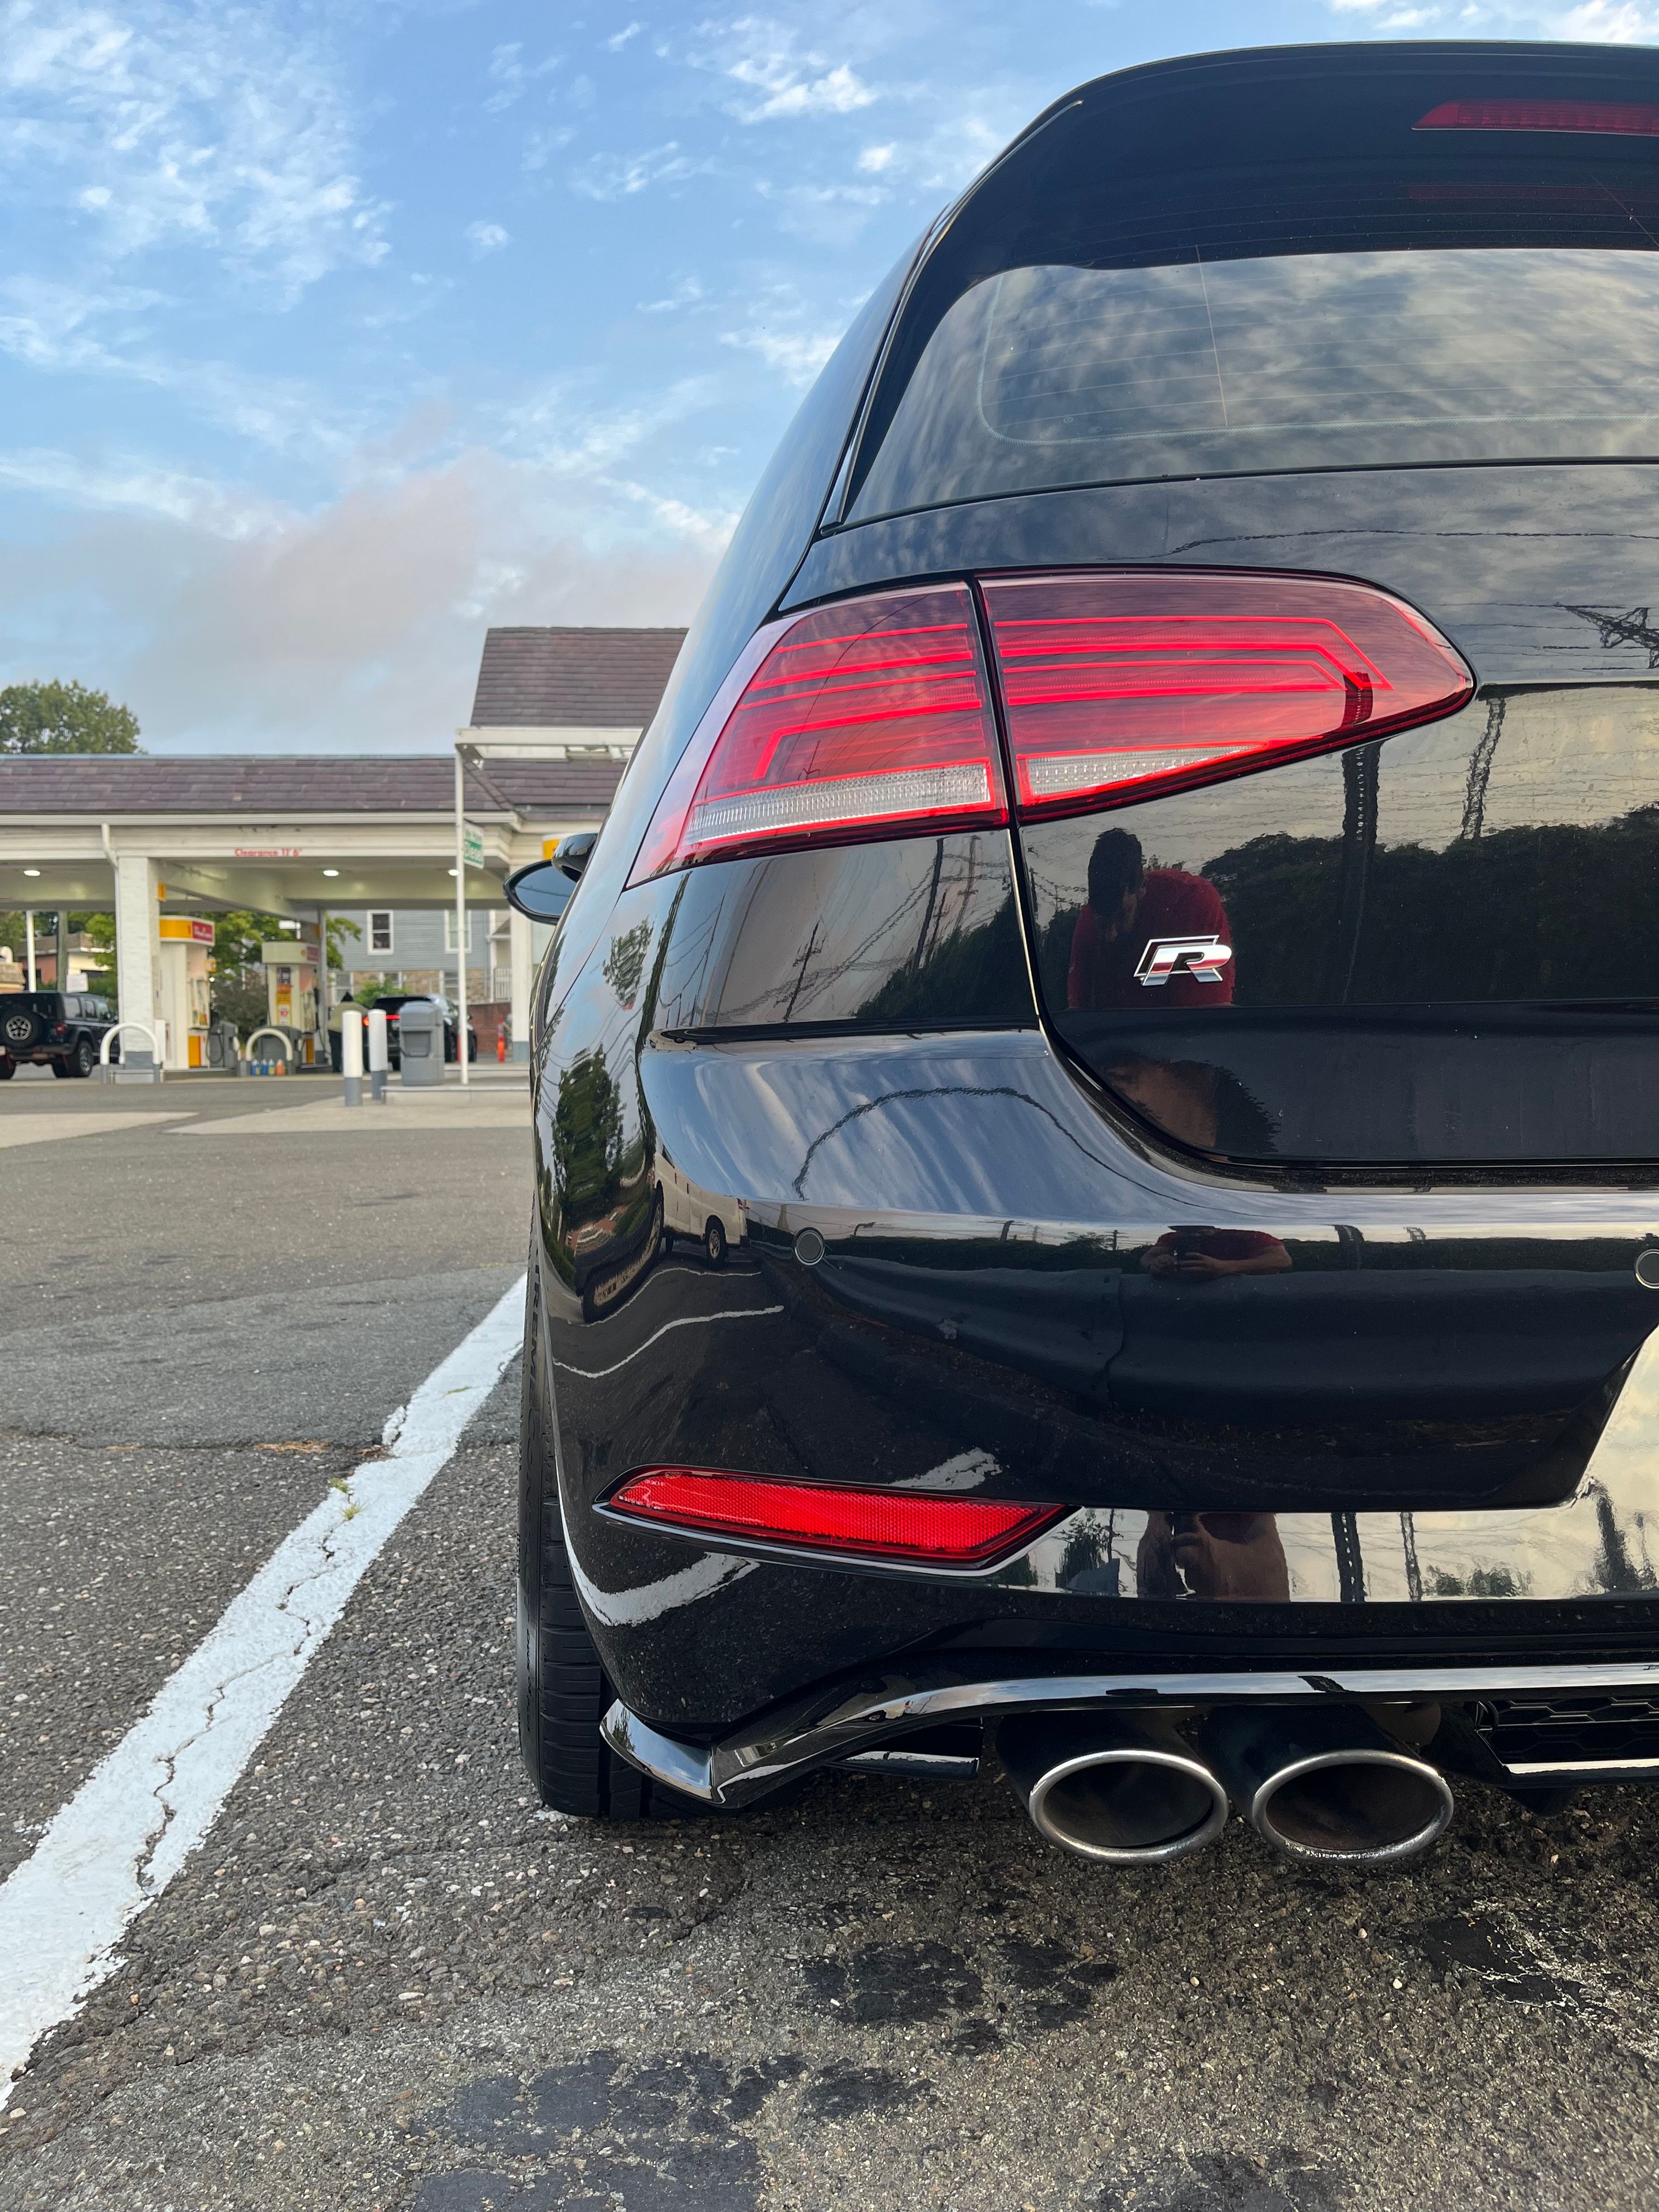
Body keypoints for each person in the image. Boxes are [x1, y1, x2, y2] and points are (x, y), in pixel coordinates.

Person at [1066, 828, 1234, 1011]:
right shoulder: (1090, 919)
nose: (1110, 935)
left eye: (1122, 916)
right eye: (1103, 923)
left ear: (1142, 887)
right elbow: (1077, 1014)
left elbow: (1207, 1016)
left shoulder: (1191, 903)